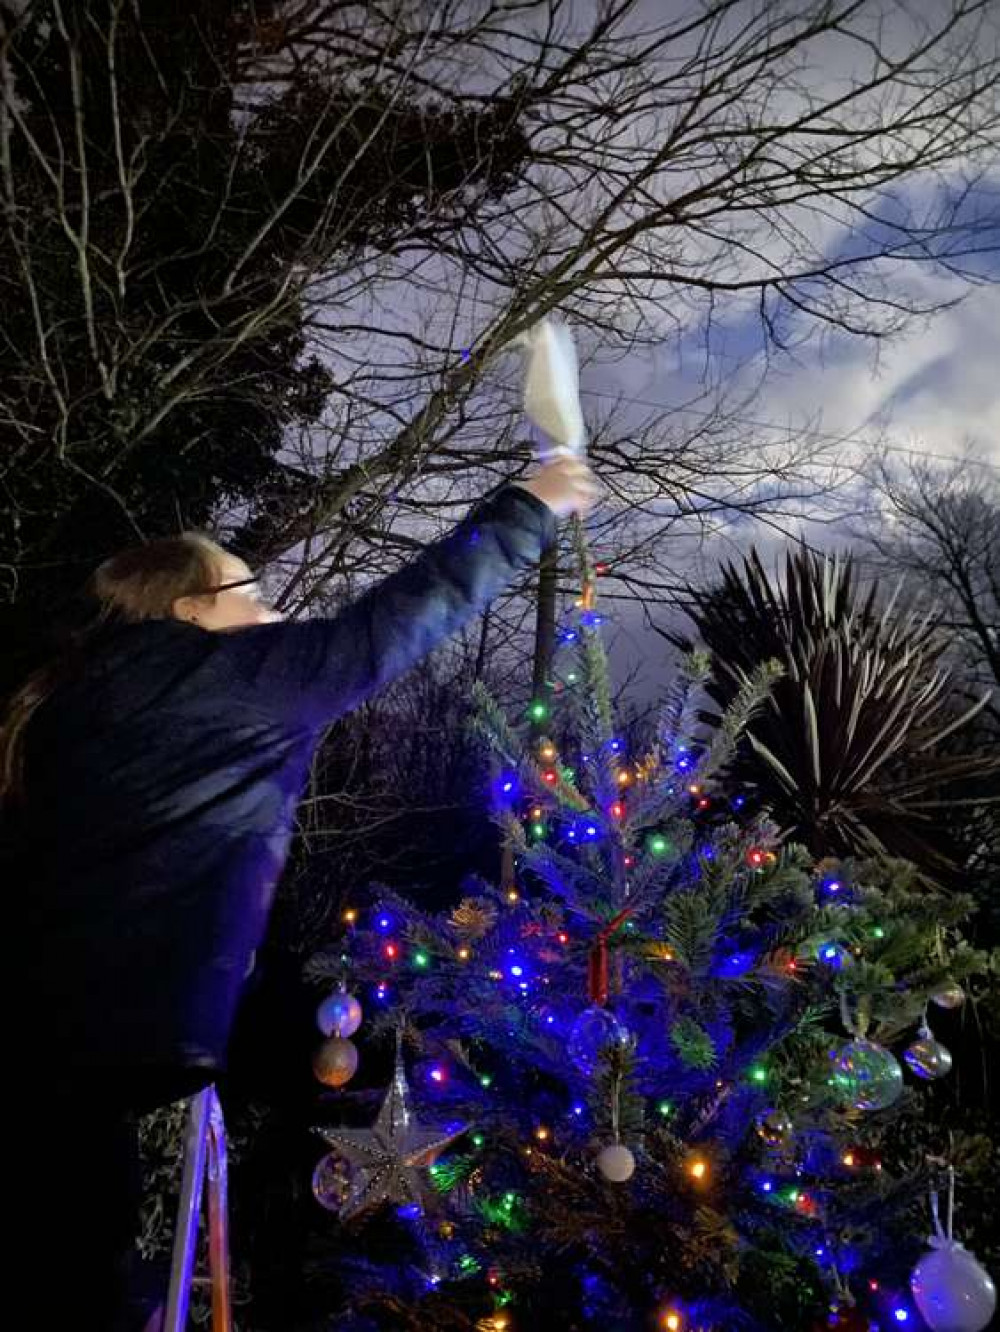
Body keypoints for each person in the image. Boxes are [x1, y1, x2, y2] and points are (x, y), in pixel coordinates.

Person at [3, 455, 598, 1330]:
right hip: (70, 1059)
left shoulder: (71, 704)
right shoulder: (215, 677)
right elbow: (383, 632)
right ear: (190, 608)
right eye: (251, 590)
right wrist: (531, 506)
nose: (273, 611)